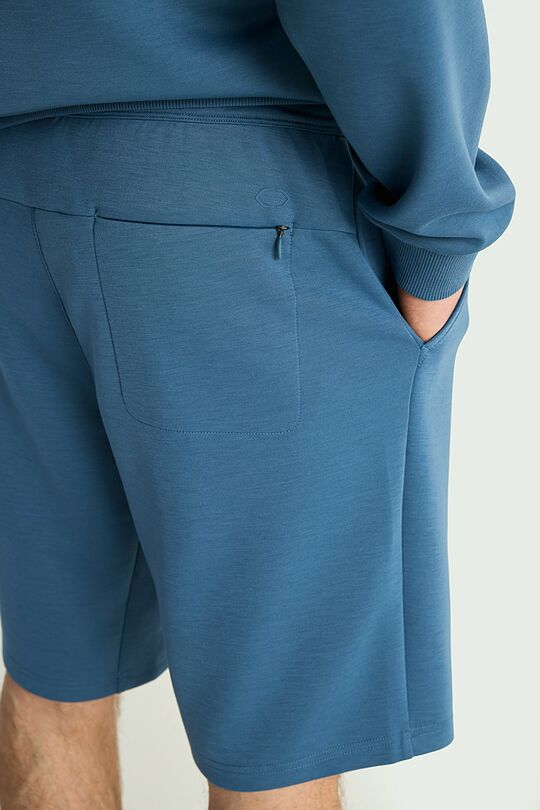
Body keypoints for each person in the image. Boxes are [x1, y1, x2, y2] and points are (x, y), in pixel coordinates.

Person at [0, 1, 514, 808]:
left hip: (16, 185)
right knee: (284, 746)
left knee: (53, 687)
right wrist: (439, 235)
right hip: (235, 205)